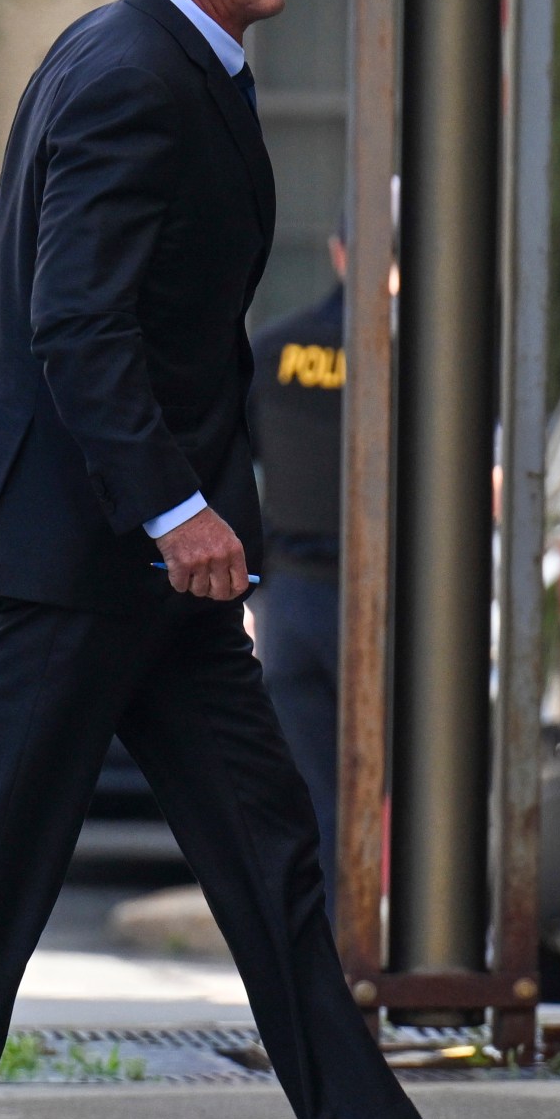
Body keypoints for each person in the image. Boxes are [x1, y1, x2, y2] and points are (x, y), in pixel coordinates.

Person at [0, 0, 560, 1119]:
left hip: (151, 570)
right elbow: (69, 318)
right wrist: (170, 507)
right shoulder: (132, 73)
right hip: (94, 566)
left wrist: (151, 507)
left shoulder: (146, 57)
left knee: (273, 859)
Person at [247, 233, 348, 905]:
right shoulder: (430, 358)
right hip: (385, 609)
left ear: (339, 251)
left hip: (289, 602)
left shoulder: (275, 350)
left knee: (314, 799)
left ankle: (327, 963)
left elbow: (232, 468)